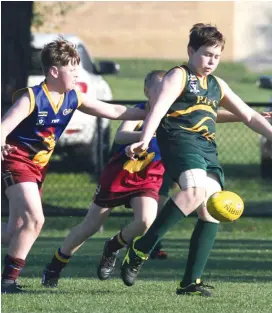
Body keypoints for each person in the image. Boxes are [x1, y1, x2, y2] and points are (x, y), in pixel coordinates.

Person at [120, 23, 272, 297]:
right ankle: (141, 248)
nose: (211, 60)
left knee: (211, 209)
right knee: (193, 192)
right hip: (179, 141)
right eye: (206, 54)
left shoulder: (217, 85)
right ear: (191, 51)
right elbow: (161, 106)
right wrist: (145, 136)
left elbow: (249, 115)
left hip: (207, 149)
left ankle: (190, 282)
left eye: (216, 56)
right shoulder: (179, 75)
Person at [0, 37, 148, 294]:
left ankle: (8, 279)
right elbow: (4, 127)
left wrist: (152, 113)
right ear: (54, 71)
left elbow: (112, 111)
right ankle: (8, 281)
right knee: (35, 220)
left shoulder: (73, 98)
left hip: (37, 167)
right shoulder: (32, 98)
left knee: (14, 231)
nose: (77, 74)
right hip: (17, 160)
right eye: (72, 70)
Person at [41, 70, 167, 288]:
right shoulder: (140, 112)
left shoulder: (175, 117)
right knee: (89, 226)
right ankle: (55, 266)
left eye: (168, 88)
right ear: (147, 91)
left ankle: (113, 246)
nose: (164, 92)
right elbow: (120, 135)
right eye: (159, 87)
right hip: (119, 175)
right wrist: (145, 136)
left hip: (148, 178)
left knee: (146, 220)